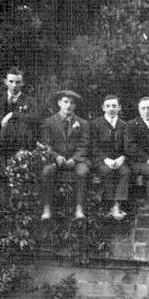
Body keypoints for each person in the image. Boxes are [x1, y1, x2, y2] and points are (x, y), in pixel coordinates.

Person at [38, 89, 90, 221]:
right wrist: (56, 156)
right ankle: (47, 208)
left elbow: (84, 144)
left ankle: (79, 208)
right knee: (47, 171)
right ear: (59, 103)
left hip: (76, 159)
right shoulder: (49, 122)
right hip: (55, 158)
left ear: (75, 106)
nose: (69, 106)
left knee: (83, 172)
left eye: (72, 103)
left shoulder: (82, 123)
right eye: (66, 102)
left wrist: (75, 158)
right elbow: (46, 144)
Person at [90, 95, 130, 219]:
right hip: (102, 160)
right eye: (108, 106)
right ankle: (108, 205)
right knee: (107, 172)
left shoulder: (124, 125)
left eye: (114, 106)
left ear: (119, 108)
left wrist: (122, 158)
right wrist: (106, 160)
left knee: (126, 172)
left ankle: (117, 205)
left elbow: (128, 146)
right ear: (103, 108)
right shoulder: (95, 124)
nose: (111, 108)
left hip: (119, 160)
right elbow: (93, 146)